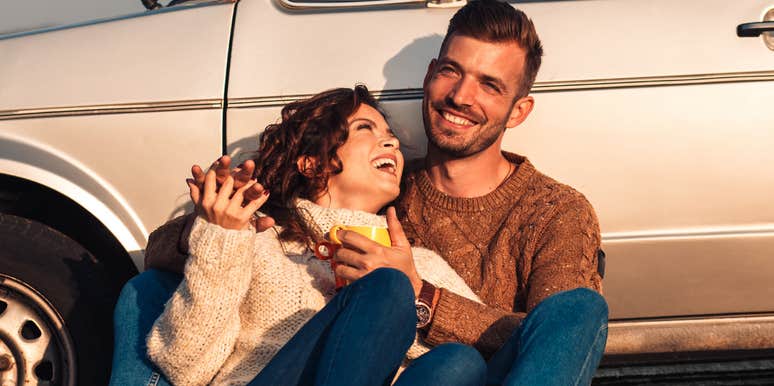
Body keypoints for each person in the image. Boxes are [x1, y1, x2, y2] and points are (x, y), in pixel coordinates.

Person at [144, 0, 609, 385]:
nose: (462, 96)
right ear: (429, 76)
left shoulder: (553, 211)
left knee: (568, 315)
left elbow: (554, 343)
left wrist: (422, 297)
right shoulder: (385, 191)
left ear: (518, 110)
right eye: (452, 71)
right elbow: (167, 251)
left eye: (489, 85)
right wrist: (222, 222)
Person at [109, 86, 486, 386]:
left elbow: (494, 343)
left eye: (391, 136)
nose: (392, 143)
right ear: (313, 162)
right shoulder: (261, 240)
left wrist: (415, 292)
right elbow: (186, 368)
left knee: (458, 362)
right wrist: (220, 234)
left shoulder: (418, 263)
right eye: (365, 129)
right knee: (385, 289)